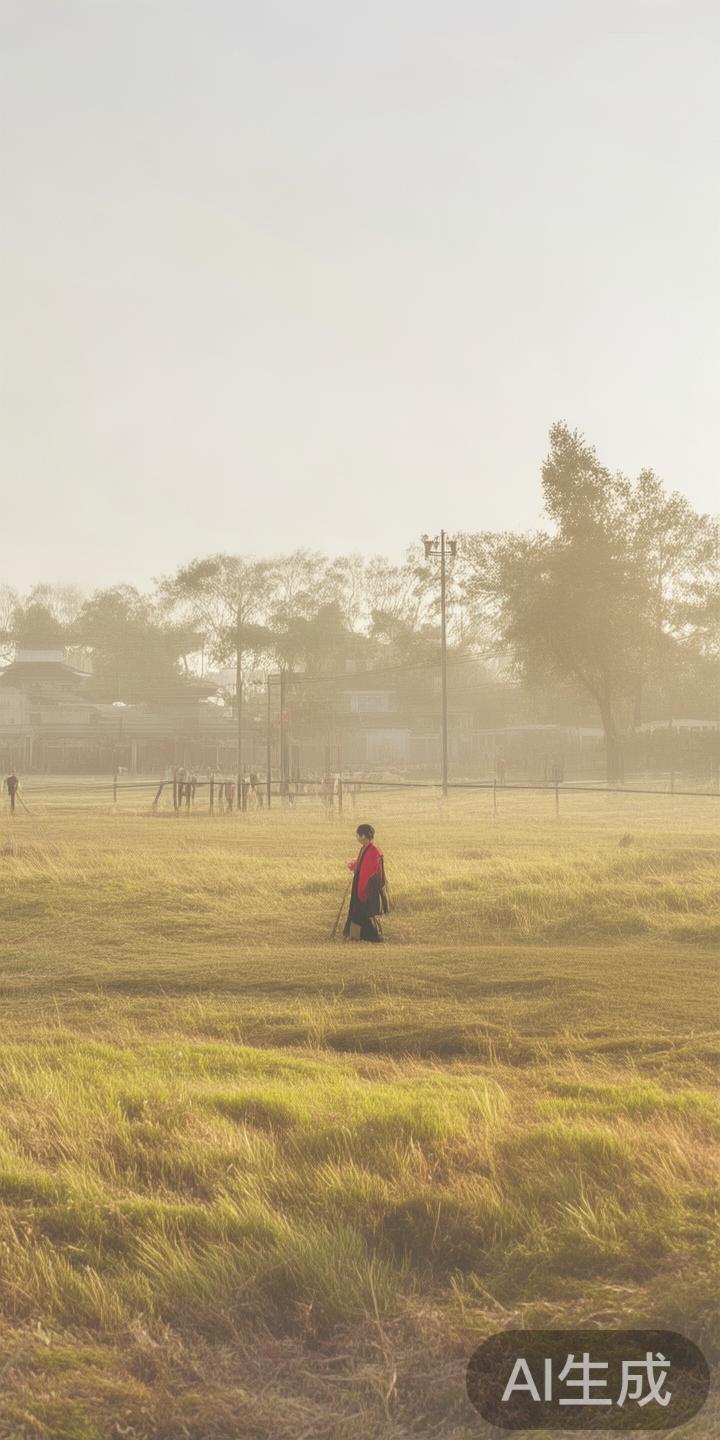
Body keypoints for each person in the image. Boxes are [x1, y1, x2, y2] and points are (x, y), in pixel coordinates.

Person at [343, 823, 389, 943]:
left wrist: (361, 891)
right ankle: (358, 936)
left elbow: (367, 874)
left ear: (363, 836)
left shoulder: (373, 851)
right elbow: (362, 864)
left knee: (365, 913)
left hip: (367, 887)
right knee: (363, 913)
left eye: (358, 835)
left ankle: (370, 938)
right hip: (364, 886)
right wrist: (354, 865)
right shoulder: (368, 848)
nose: (357, 837)